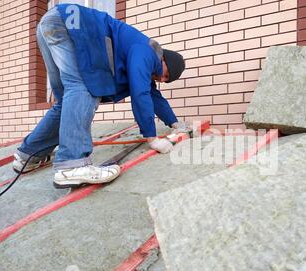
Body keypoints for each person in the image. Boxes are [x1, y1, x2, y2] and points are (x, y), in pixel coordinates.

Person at [13, 4, 188, 189]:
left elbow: (153, 94)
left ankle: (29, 155)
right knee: (84, 87)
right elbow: (140, 92)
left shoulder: (143, 54)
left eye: (166, 80)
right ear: (164, 60)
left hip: (51, 23)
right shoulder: (147, 51)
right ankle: (72, 164)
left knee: (66, 100)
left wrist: (175, 124)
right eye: (166, 75)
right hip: (72, 24)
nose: (162, 79)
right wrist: (152, 138)